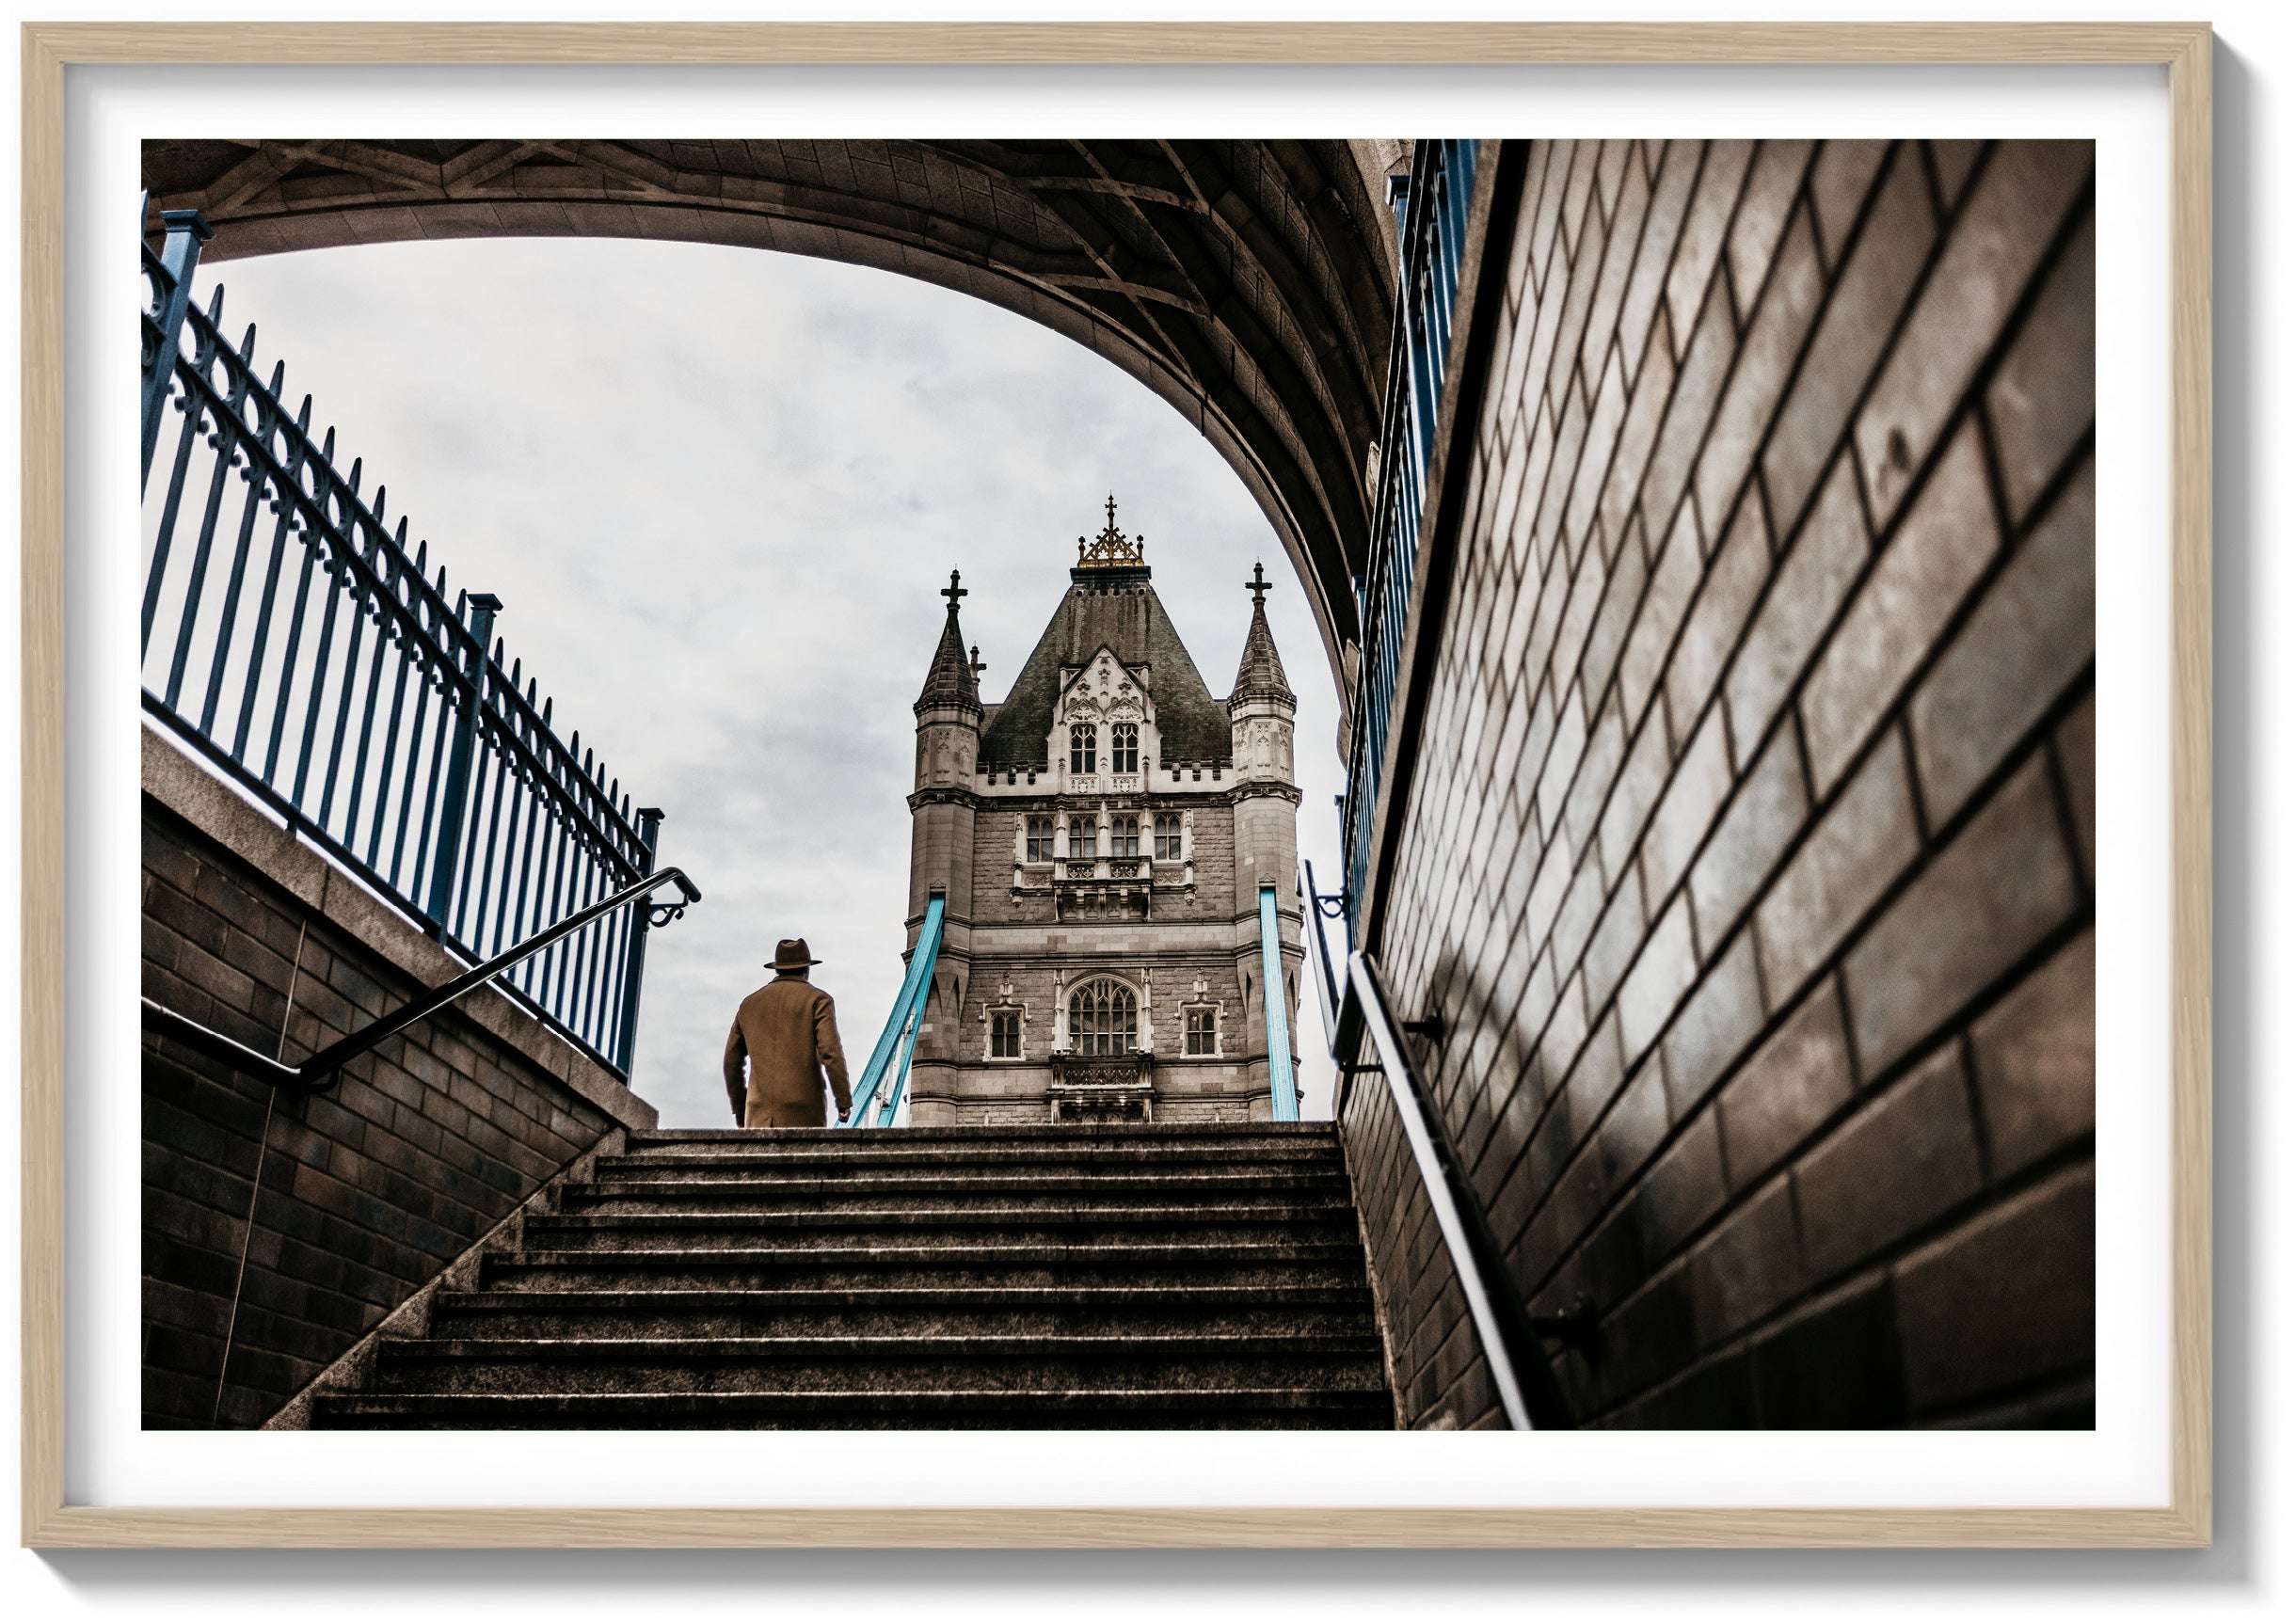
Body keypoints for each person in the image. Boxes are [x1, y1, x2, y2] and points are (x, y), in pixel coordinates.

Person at [723, 938, 852, 1128]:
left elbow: (731, 1063)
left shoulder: (749, 1004)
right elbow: (830, 1053)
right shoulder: (818, 1000)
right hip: (804, 1114)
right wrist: (843, 1100)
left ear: (777, 969)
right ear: (806, 969)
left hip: (758, 1116)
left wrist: (741, 1110)